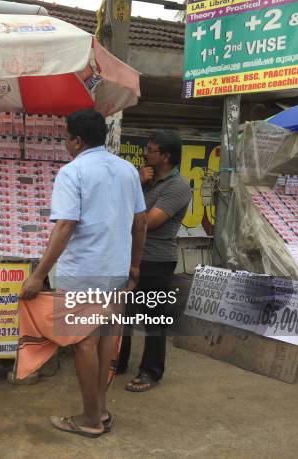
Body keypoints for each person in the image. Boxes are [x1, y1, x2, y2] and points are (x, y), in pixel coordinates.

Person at [20, 109, 147, 437]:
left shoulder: (72, 172)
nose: (66, 143)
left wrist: (37, 276)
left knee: (85, 342)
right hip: (116, 269)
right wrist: (134, 265)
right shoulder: (127, 170)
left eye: (67, 137)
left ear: (76, 140)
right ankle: (101, 410)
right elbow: (141, 222)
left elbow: (64, 226)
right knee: (105, 338)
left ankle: (90, 419)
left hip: (83, 272)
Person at [117, 130, 192, 392]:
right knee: (122, 314)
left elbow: (148, 222)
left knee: (153, 319)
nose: (145, 153)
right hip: (131, 256)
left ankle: (151, 372)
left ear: (166, 156)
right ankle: (118, 361)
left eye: (151, 149)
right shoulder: (145, 181)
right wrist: (137, 183)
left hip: (156, 260)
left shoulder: (178, 187)